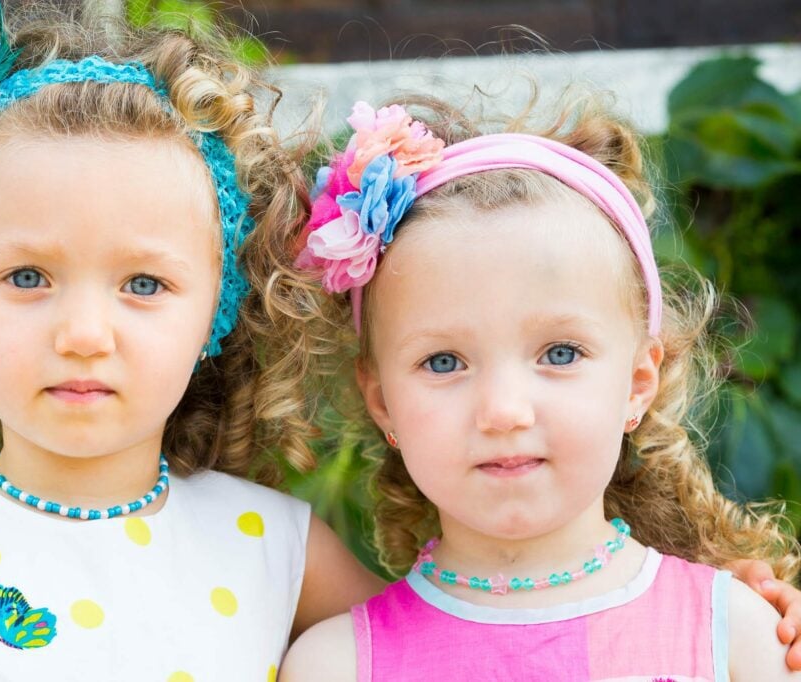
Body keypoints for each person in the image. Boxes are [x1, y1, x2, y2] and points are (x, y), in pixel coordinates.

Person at [0, 4, 379, 680]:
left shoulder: (279, 550)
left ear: (214, 315)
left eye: (142, 284)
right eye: (28, 277)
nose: (82, 335)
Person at [279, 94, 801, 680]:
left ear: (636, 382)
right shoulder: (338, 665)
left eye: (559, 353)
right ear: (382, 403)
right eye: (445, 362)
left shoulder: (734, 637)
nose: (504, 412)